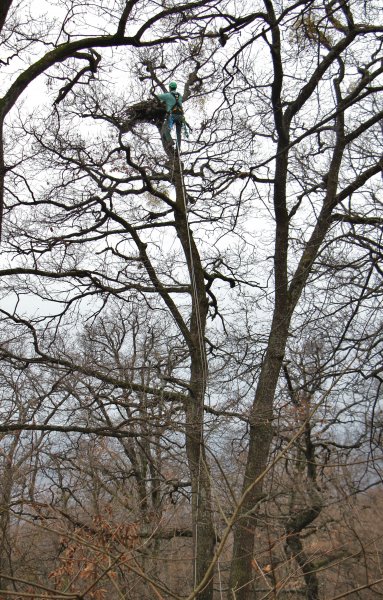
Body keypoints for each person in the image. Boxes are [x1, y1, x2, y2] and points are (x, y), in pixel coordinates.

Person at [156, 82, 184, 151]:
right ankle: (178, 149)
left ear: (170, 88)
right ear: (175, 88)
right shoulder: (180, 95)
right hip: (180, 116)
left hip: (172, 116)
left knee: (165, 130)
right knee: (178, 133)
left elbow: (157, 97)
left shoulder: (168, 95)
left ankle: (170, 141)